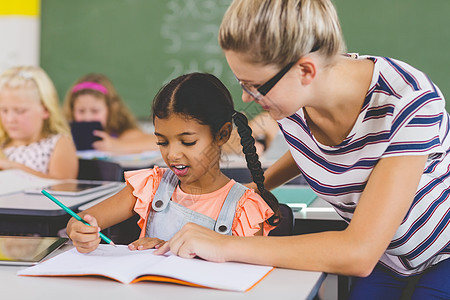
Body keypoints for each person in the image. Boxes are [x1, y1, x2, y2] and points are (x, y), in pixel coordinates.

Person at [154, 1, 450, 299]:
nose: (247, 97)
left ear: (306, 70)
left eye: (255, 86)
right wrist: (256, 187)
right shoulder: (294, 99)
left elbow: (359, 253)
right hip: (389, 259)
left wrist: (222, 246)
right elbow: (310, 146)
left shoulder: (408, 101)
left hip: (441, 250)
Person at [66, 72, 280, 253]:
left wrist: (170, 251)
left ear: (222, 135)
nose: (173, 154)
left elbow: (245, 272)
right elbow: (81, 220)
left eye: (187, 142)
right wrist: (80, 230)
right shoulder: (150, 186)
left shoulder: (245, 209)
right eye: (162, 142)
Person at [0, 66, 78, 179]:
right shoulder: (3, 144)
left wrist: (14, 168)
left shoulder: (57, 143)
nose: (10, 119)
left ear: (45, 110)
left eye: (20, 111)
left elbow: (64, 187)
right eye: (4, 110)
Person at [63, 73, 157, 154]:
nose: (87, 118)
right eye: (81, 111)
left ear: (111, 109)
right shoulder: (65, 135)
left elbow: (158, 142)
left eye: (95, 111)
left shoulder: (122, 134)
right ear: (72, 110)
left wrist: (118, 146)